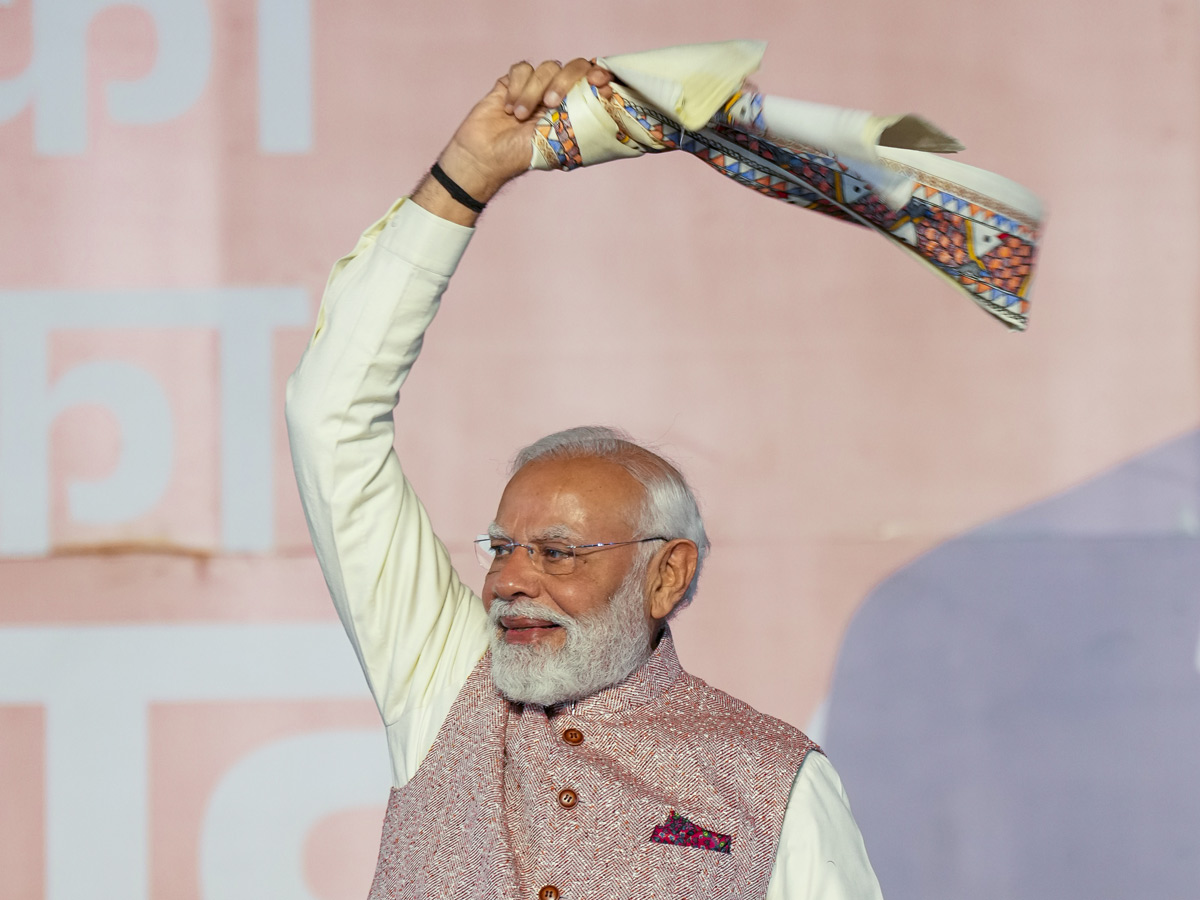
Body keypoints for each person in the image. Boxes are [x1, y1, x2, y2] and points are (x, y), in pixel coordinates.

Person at [286, 57, 883, 900]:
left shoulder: (771, 780)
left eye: (558, 553)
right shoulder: (442, 682)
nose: (510, 581)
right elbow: (330, 416)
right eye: (502, 548)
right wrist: (467, 176)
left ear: (665, 575)